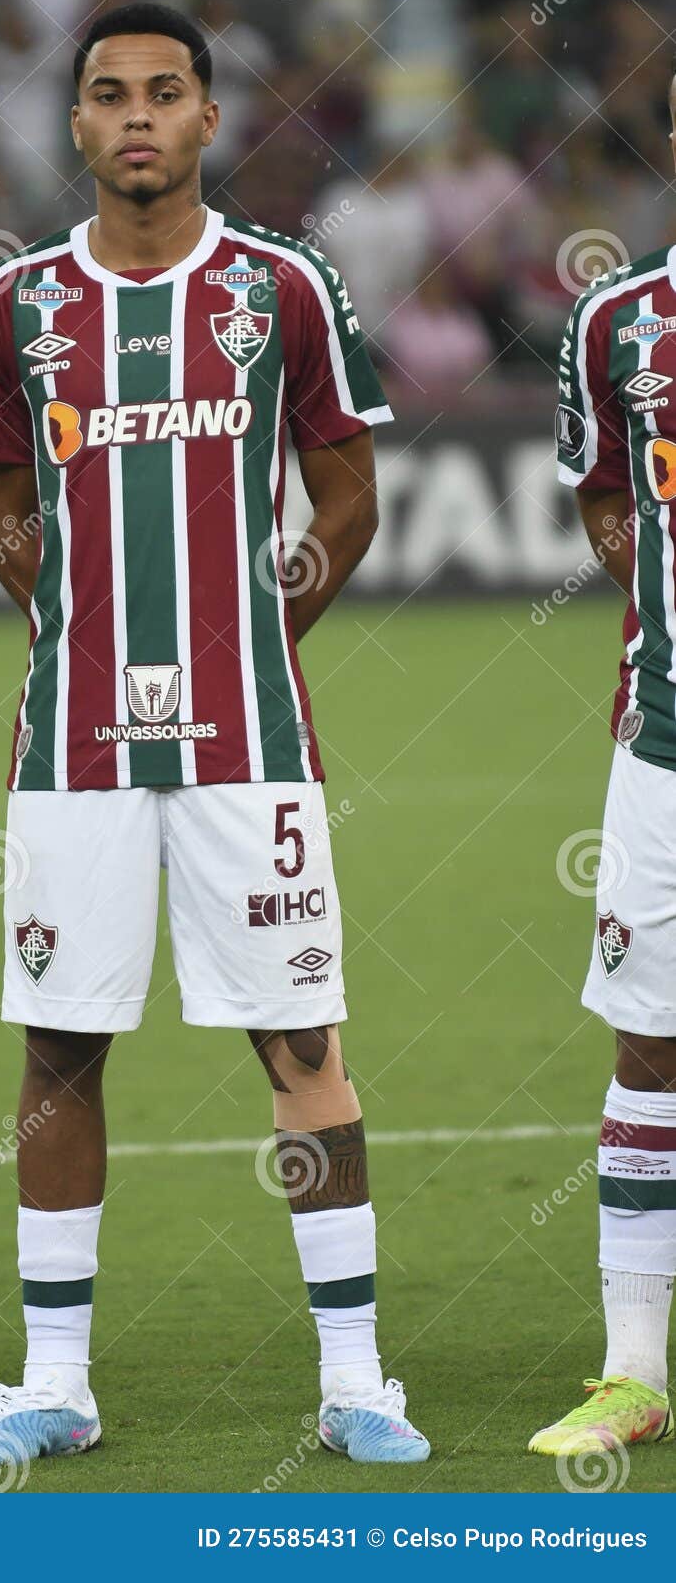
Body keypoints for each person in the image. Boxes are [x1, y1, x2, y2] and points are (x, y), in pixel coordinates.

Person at [0, 3, 430, 1475]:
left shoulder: (280, 288)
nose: (138, 116)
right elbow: (1, 504)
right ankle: (50, 1383)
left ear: (209, 120)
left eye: (167, 93)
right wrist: (76, 629)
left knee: (299, 1038)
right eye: (109, 95)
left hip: (249, 745)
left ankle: (355, 1379)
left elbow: (342, 494)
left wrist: (259, 633)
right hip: (68, 756)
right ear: (77, 124)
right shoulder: (17, 306)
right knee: (57, 1050)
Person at [529, 71, 676, 1460]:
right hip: (666, 749)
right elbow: (598, 488)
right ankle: (633, 1367)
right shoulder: (615, 322)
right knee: (647, 1040)